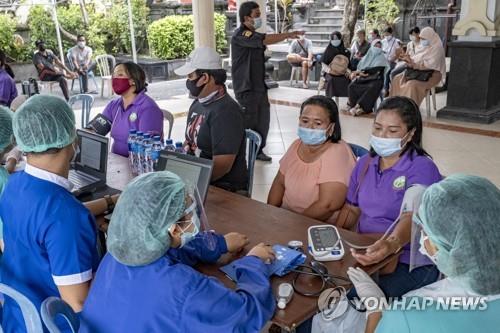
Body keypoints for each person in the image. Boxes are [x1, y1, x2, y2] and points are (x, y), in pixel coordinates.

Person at [80, 171, 276, 333]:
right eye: (191, 212)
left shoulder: (117, 255)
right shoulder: (186, 290)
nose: (194, 219)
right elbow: (246, 316)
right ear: (173, 229)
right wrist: (254, 262)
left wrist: (218, 244)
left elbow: (170, 249)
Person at [349, 175, 500, 333]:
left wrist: (376, 310)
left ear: (439, 246)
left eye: (424, 231)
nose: (422, 239)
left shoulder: (408, 315)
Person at [0, 95, 100, 333]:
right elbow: (77, 302)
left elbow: (46, 221)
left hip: (15, 316)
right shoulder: (67, 216)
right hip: (51, 324)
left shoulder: (14, 185)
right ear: (72, 139)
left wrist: (106, 202)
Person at [344, 96, 442, 299]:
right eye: (378, 128)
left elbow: (410, 216)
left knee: (356, 299)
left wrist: (391, 244)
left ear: (411, 133)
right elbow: (351, 209)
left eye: (392, 131)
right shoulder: (364, 164)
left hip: (409, 261)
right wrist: (334, 238)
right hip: (366, 249)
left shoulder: (422, 167)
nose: (383, 135)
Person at [231, 1, 304, 162]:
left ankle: (258, 150)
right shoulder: (241, 35)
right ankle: (240, 154)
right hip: (246, 87)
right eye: (256, 15)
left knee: (263, 120)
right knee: (248, 121)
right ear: (246, 18)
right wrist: (288, 34)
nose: (259, 18)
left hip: (259, 86)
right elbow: (264, 39)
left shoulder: (252, 35)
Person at [268, 95, 356, 223]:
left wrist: (292, 224)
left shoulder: (337, 153)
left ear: (331, 128)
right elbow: (279, 183)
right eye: (305, 121)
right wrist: (270, 213)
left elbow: (328, 205)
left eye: (318, 123)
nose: (310, 127)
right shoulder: (296, 145)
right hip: (285, 219)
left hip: (314, 226)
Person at [175, 47, 248, 193]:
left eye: (190, 76)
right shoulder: (199, 103)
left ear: (205, 78)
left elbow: (222, 166)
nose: (188, 82)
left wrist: (189, 184)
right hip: (196, 179)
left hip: (224, 189)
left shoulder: (226, 112)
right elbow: (190, 141)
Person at [91, 62, 163, 157]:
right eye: (113, 75)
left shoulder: (149, 109)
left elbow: (148, 150)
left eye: (120, 74)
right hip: (115, 162)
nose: (114, 79)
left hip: (139, 166)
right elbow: (94, 131)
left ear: (133, 80)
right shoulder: (114, 105)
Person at [390, 27, 446, 107]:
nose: (422, 41)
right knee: (396, 78)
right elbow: (415, 60)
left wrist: (413, 64)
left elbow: (430, 65)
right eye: (421, 38)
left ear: (430, 37)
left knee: (411, 84)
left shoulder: (437, 48)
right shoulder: (422, 46)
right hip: (418, 72)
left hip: (433, 74)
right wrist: (408, 60)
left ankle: (409, 108)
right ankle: (395, 106)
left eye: (424, 38)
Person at [342, 39, 388, 116]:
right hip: (364, 78)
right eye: (375, 46)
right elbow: (360, 68)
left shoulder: (382, 58)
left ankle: (360, 106)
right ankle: (353, 106)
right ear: (372, 46)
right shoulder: (367, 56)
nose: (377, 48)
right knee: (352, 86)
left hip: (376, 79)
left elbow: (376, 70)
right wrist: (358, 73)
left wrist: (362, 72)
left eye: (379, 46)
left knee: (372, 87)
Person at [320, 31, 352, 100]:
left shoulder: (346, 51)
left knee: (348, 80)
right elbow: (324, 65)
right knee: (331, 80)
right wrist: (331, 71)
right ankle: (329, 100)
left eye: (337, 39)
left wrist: (348, 72)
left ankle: (349, 102)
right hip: (330, 72)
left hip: (342, 72)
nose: (335, 41)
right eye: (333, 39)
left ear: (340, 39)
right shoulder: (328, 51)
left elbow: (348, 65)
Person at [381, 27, 400, 96]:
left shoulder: (396, 41)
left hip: (392, 61)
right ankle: (384, 88)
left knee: (387, 72)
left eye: (387, 34)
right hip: (384, 61)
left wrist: (392, 60)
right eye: (385, 34)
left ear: (391, 33)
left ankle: (386, 90)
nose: (386, 35)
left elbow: (398, 53)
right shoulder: (383, 41)